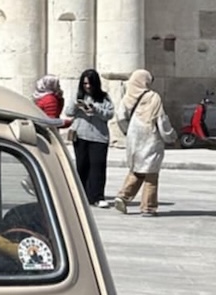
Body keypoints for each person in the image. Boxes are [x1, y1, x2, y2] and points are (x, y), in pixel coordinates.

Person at [113, 69, 176, 216]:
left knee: (137, 169)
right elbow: (161, 120)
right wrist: (170, 136)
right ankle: (148, 207)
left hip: (134, 137)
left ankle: (123, 196)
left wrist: (128, 131)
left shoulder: (128, 96)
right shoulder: (154, 97)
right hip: (150, 137)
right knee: (151, 175)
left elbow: (120, 116)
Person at [65, 68, 114, 207]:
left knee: (97, 167)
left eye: (90, 84)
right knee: (82, 166)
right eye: (85, 83)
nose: (87, 87)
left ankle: (97, 197)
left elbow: (109, 114)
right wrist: (76, 105)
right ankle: (81, 196)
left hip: (99, 137)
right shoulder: (78, 95)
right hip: (80, 135)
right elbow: (68, 112)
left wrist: (96, 109)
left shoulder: (104, 98)